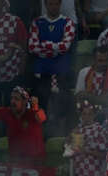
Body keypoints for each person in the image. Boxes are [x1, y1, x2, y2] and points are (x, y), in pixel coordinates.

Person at [29, 0, 76, 137]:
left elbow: (65, 47)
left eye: (56, 4)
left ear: (60, 3)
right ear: (45, 4)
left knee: (61, 113)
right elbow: (32, 48)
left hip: (61, 73)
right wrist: (56, 48)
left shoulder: (68, 22)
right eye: (50, 4)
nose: (53, 7)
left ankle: (59, 141)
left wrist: (44, 43)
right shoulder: (37, 22)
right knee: (37, 111)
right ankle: (40, 142)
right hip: (41, 73)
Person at [74, 46, 108, 113]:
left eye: (106, 60)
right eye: (100, 60)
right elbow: (78, 99)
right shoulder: (83, 72)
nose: (104, 63)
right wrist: (103, 99)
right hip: (88, 115)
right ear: (93, 60)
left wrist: (88, 96)